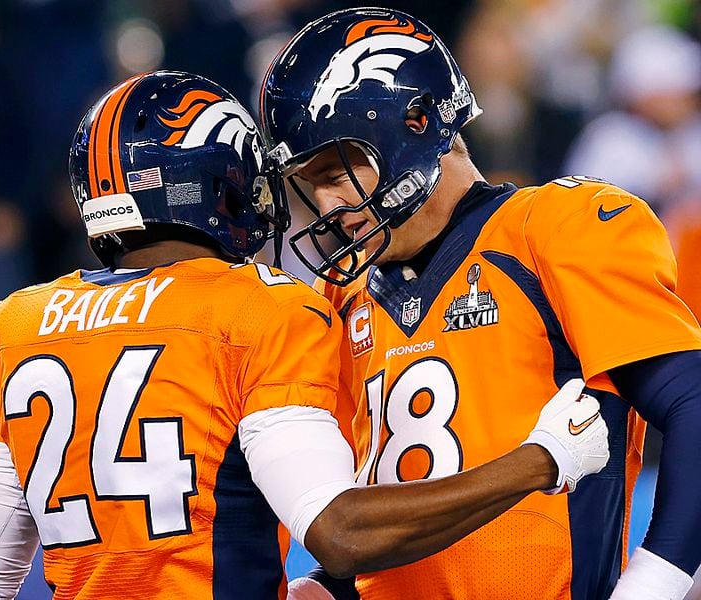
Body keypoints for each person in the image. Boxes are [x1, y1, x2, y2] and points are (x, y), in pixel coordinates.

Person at [0, 71, 610, 600]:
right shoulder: (257, 308)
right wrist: (540, 461)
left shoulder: (14, 324)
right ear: (222, 182)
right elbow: (340, 532)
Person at [260, 7, 701, 600]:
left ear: (418, 123)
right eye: (310, 181)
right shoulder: (341, 294)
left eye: (342, 167)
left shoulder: (552, 229)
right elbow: (362, 515)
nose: (330, 201)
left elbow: (693, 404)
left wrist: (655, 583)